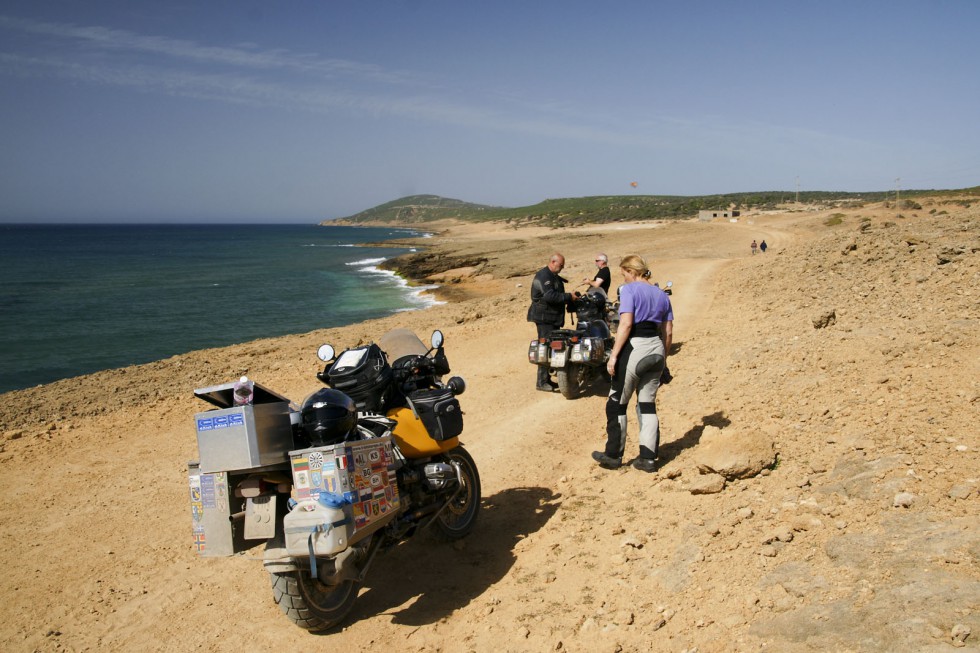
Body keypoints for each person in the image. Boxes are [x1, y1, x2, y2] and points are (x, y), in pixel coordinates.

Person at [592, 255, 673, 472]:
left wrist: (614, 356)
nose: (624, 279)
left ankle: (613, 455)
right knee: (647, 405)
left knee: (616, 402)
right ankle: (648, 458)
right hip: (656, 349)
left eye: (624, 274)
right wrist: (663, 361)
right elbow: (668, 332)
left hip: (636, 347)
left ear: (631, 271)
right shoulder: (662, 294)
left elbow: (626, 324)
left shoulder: (628, 290)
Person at [527, 253, 579, 392]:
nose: (562, 268)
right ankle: (541, 382)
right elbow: (550, 296)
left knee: (550, 348)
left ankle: (546, 379)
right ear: (553, 262)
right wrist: (568, 297)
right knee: (544, 348)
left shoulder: (552, 275)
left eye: (562, 265)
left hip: (551, 317)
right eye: (560, 265)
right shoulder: (545, 276)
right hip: (545, 318)